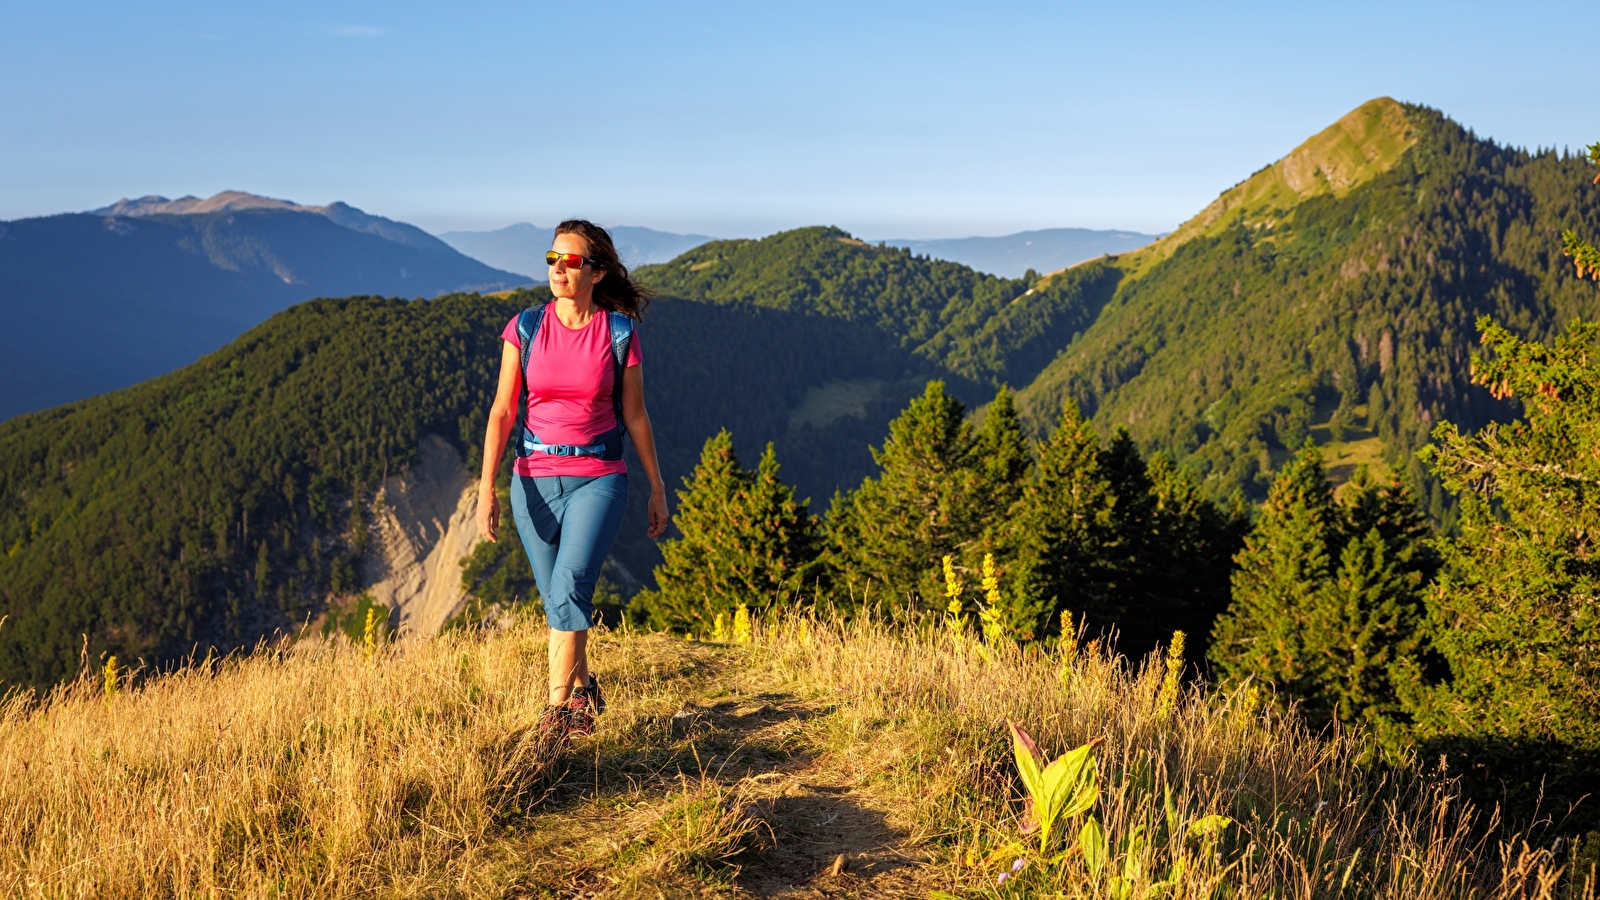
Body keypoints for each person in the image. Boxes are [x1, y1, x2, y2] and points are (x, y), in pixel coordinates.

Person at [475, 219, 669, 739]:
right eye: (552, 258)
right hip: (532, 481)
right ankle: (585, 692)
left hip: (598, 477)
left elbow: (636, 414)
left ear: (597, 273)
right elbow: (502, 411)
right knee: (561, 603)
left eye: (572, 261)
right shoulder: (525, 328)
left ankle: (556, 716)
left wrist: (657, 487)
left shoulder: (618, 332)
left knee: (567, 588)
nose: (558, 269)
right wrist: (486, 488)